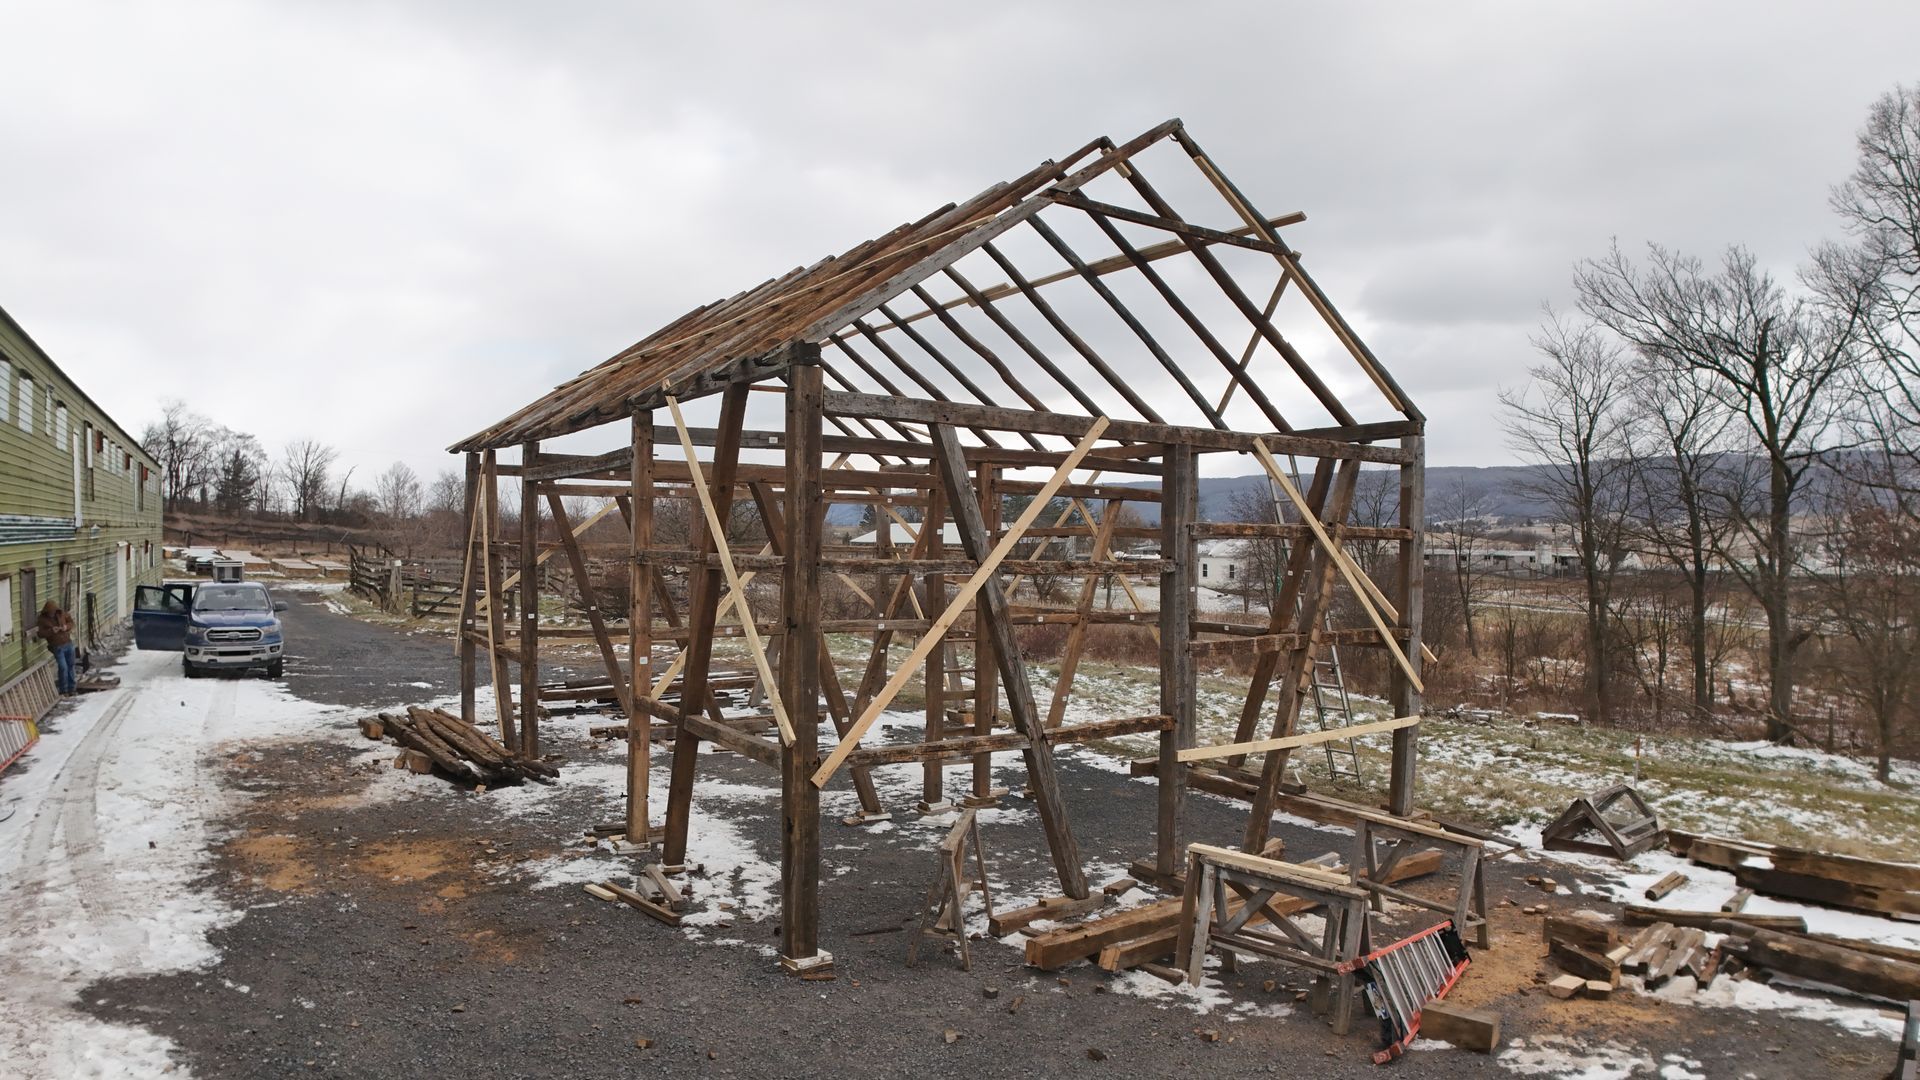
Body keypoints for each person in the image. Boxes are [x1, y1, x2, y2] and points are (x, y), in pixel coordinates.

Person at [37, 600, 76, 695]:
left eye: (53, 611)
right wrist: (51, 631)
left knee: (71, 666)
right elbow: (40, 634)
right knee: (63, 667)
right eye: (50, 612)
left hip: (68, 643)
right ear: (46, 611)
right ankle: (63, 690)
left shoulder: (61, 614)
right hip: (57, 647)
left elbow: (71, 622)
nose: (52, 613)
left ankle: (72, 688)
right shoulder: (42, 619)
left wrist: (66, 627)